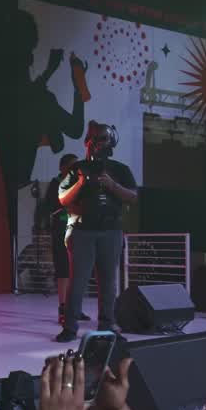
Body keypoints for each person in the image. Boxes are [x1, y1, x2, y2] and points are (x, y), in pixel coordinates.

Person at [56, 122, 137, 343]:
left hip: (111, 231)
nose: (99, 144)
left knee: (108, 281)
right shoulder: (76, 168)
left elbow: (133, 196)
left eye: (103, 140)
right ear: (88, 142)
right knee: (78, 281)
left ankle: (106, 325)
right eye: (96, 139)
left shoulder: (120, 169)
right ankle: (70, 328)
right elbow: (62, 198)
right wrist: (81, 183)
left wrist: (112, 186)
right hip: (82, 231)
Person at [46, 153, 89, 325]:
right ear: (62, 167)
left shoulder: (80, 183)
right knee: (63, 269)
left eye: (76, 165)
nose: (75, 169)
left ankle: (76, 307)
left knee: (79, 270)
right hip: (61, 231)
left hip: (79, 230)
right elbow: (51, 206)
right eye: (71, 166)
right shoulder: (55, 183)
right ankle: (63, 308)